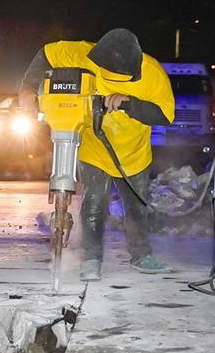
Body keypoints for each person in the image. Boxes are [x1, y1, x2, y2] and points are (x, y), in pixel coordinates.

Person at [18, 28, 174, 281]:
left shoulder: (153, 74)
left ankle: (141, 254)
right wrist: (27, 86)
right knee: (93, 204)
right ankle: (91, 259)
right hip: (94, 148)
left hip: (132, 153)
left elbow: (165, 115)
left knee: (135, 207)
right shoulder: (84, 53)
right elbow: (47, 53)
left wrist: (128, 103)